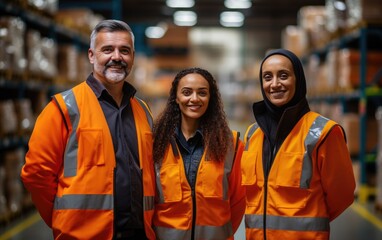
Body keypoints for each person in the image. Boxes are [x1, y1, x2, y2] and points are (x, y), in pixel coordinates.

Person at [20, 19, 156, 240]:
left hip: (139, 235)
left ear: (132, 57)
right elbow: (36, 175)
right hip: (83, 236)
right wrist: (60, 219)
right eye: (107, 49)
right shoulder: (64, 108)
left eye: (124, 50)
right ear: (91, 55)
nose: (117, 57)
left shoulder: (143, 110)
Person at [241, 49, 356, 240]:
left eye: (283, 75)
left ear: (299, 80)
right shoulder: (252, 134)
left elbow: (342, 195)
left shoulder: (323, 132)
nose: (275, 84)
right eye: (267, 77)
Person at [152, 67, 246, 240]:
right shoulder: (156, 143)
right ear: (176, 98)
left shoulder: (230, 144)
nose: (194, 99)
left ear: (210, 98)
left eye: (202, 93)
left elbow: (238, 202)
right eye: (187, 92)